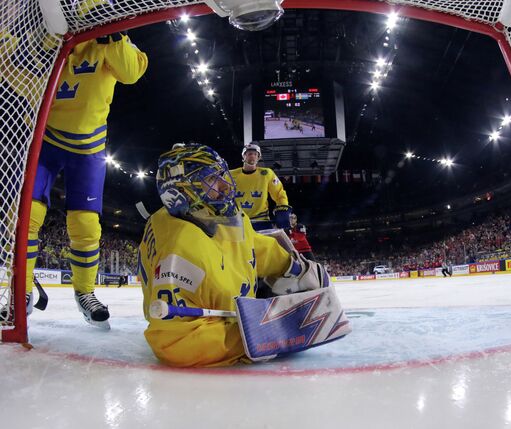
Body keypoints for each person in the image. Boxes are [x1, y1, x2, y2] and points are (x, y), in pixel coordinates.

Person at [137, 144, 331, 367]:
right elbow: (175, 341)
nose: (225, 185)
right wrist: (259, 335)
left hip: (227, 305)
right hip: (209, 327)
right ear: (181, 192)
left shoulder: (209, 213)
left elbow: (250, 244)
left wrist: (293, 266)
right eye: (210, 180)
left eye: (221, 175)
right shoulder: (180, 248)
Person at [26, 30, 148, 328]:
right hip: (46, 138)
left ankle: (85, 292)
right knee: (28, 215)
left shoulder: (108, 39)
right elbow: (14, 70)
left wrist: (112, 36)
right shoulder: (44, 36)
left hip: (88, 146)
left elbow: (131, 72)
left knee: (85, 224)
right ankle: (21, 289)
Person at [230, 143, 292, 231]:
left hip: (261, 221)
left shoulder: (267, 174)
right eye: (249, 154)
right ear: (243, 156)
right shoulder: (230, 175)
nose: (252, 156)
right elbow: (221, 196)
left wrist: (283, 208)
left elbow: (279, 193)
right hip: (238, 222)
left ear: (259, 157)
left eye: (255, 154)